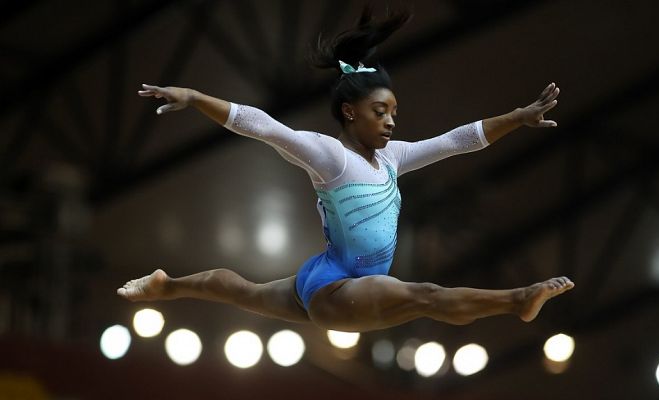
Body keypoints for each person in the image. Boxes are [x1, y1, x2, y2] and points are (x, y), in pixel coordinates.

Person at [118, 6, 573, 333]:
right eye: (380, 112)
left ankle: (168, 286)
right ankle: (517, 300)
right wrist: (197, 98)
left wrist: (519, 116)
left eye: (394, 111)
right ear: (350, 113)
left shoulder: (392, 159)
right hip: (335, 289)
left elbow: (457, 141)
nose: (391, 121)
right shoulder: (331, 157)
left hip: (327, 279)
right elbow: (263, 126)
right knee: (426, 296)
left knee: (239, 290)